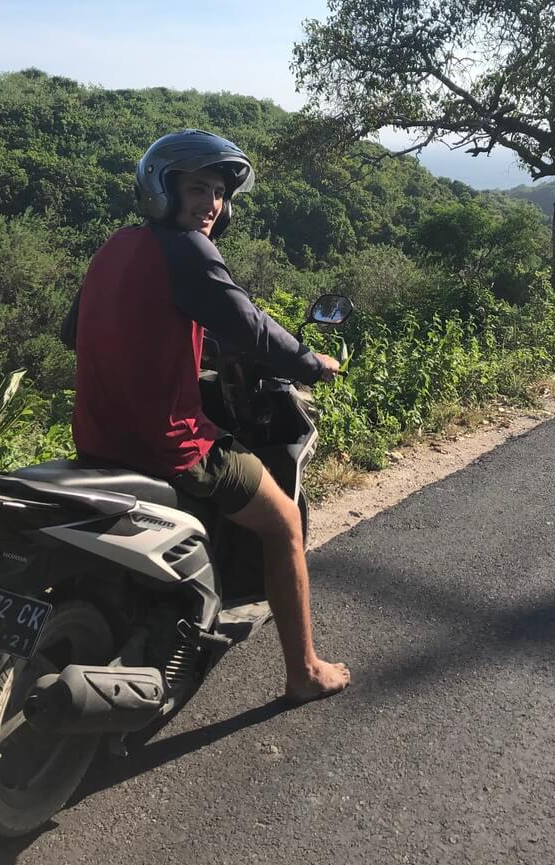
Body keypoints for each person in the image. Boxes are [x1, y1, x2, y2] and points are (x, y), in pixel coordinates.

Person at [65, 129, 350, 705]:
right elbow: (248, 324)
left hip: (99, 442)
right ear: (162, 189)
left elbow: (74, 331)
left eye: (219, 193)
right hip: (170, 446)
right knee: (284, 523)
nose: (211, 205)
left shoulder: (116, 245)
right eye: (197, 188)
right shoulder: (187, 250)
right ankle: (305, 673)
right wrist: (309, 362)